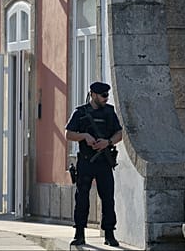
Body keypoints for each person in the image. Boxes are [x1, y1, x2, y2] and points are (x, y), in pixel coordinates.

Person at [65, 81, 123, 247]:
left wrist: (108, 142)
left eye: (107, 95)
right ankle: (80, 233)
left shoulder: (109, 112)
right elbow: (68, 133)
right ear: (93, 94)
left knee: (108, 199)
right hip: (85, 161)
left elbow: (119, 133)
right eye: (103, 95)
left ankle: (109, 234)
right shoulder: (80, 112)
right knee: (82, 198)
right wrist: (84, 136)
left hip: (104, 161)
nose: (106, 98)